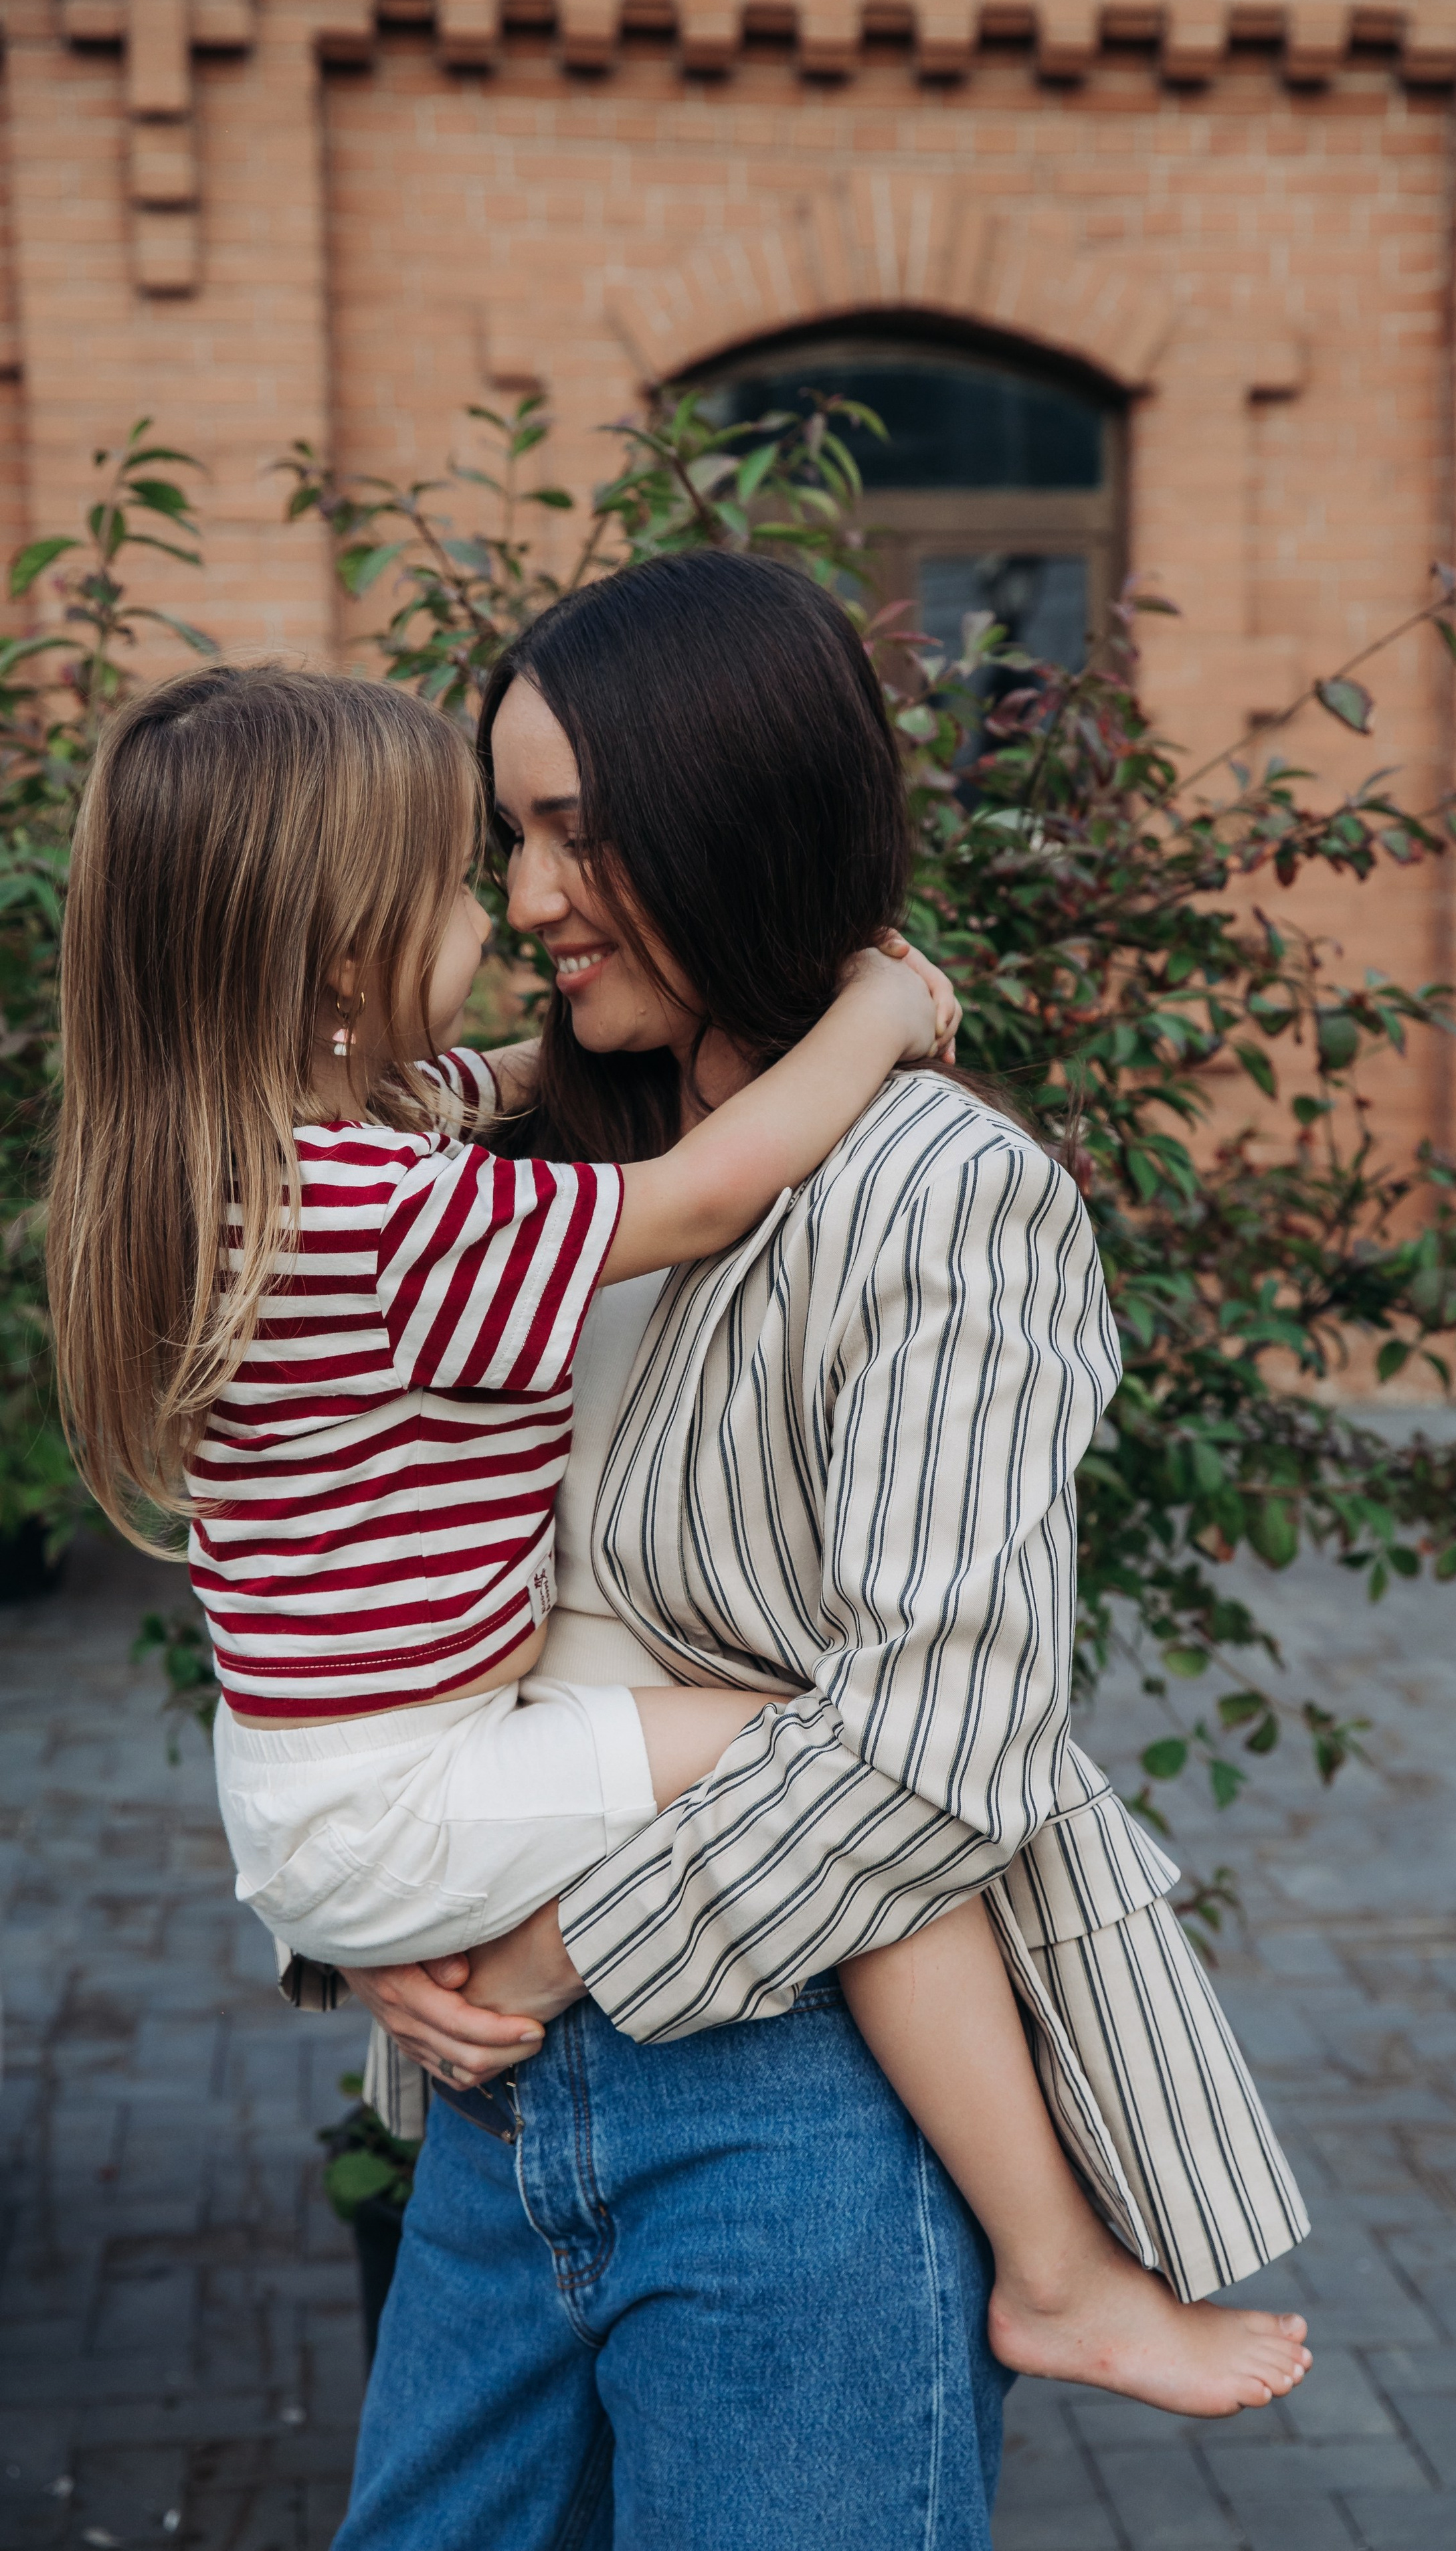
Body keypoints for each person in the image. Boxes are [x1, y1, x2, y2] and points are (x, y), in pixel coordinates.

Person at [49, 649, 1309, 2431]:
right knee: (782, 1736)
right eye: (483, 856)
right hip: (485, 2058)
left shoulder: (278, 1166)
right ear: (341, 955)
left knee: (850, 1757)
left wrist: (534, 1939)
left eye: (571, 836)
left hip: (732, 2082)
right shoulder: (425, 1208)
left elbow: (932, 1753)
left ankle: (1056, 2270)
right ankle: (1060, 2271)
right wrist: (878, 1013)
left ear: (725, 822)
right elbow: (703, 1196)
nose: (520, 904)